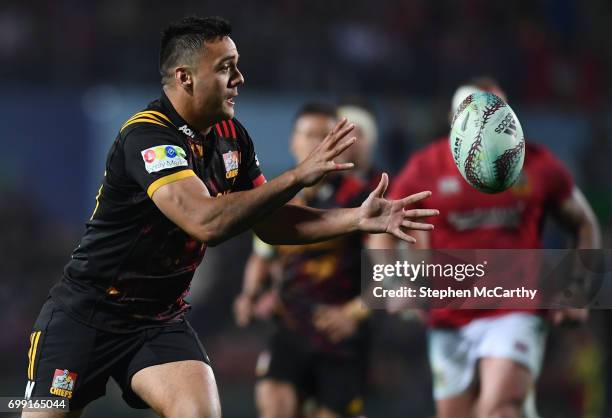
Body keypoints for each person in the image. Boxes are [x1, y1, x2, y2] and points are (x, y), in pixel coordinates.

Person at [22, 16, 437, 418]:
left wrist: (355, 218)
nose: (239, 79)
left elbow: (274, 224)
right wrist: (297, 176)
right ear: (186, 78)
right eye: (226, 68)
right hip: (84, 315)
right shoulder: (147, 136)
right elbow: (206, 222)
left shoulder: (231, 138)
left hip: (157, 321)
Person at [370, 77, 601, 418]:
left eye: (499, 112)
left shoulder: (539, 165)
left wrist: (579, 289)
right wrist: (391, 282)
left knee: (500, 411)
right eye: (475, 112)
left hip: (515, 310)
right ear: (454, 120)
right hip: (449, 316)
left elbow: (584, 222)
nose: (487, 121)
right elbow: (381, 229)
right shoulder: (425, 168)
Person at [234, 103, 381, 418]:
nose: (316, 143)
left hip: (341, 337)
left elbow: (392, 272)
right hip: (289, 328)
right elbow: (262, 256)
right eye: (308, 135)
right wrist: (250, 295)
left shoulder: (362, 198)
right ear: (292, 141)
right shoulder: (276, 195)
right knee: (274, 405)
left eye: (324, 136)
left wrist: (353, 314)